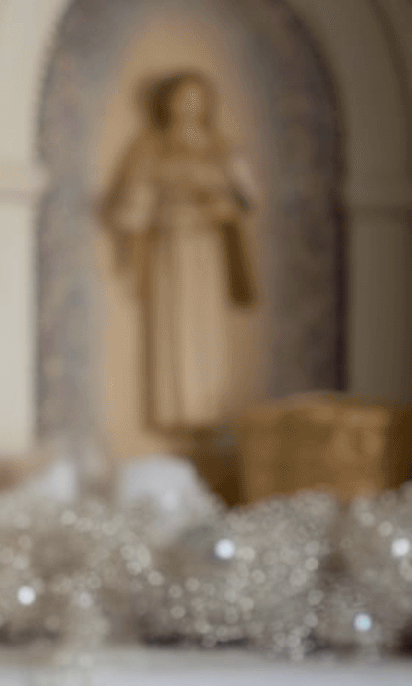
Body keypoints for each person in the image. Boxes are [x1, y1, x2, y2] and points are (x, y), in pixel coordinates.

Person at [104, 70, 257, 432]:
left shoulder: (220, 147)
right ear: (167, 103)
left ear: (206, 103)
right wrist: (139, 212)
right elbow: (132, 204)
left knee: (206, 327)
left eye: (196, 97)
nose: (188, 105)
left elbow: (246, 196)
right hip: (170, 249)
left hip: (208, 250)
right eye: (181, 97)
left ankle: (208, 406)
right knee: (174, 324)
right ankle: (174, 407)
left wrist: (220, 205)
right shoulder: (150, 147)